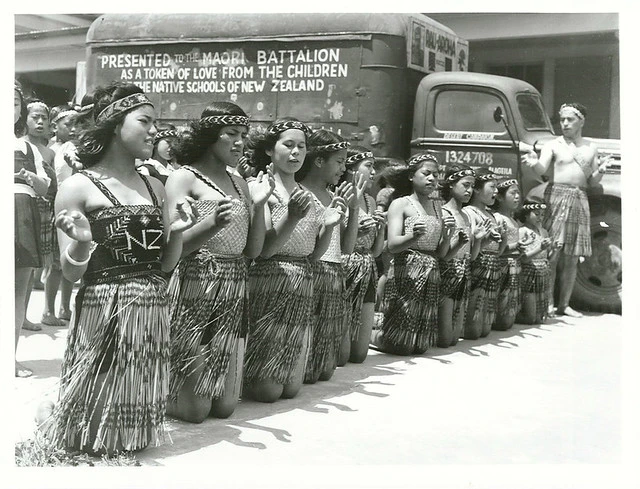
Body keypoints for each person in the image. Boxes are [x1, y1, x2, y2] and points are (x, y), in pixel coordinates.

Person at [44, 81, 197, 455]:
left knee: (135, 439)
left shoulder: (155, 187)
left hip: (151, 311)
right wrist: (82, 241)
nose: (155, 131)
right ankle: (51, 411)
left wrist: (177, 233)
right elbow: (71, 274)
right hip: (105, 311)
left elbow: (164, 264)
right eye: (145, 121)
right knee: (94, 438)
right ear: (115, 124)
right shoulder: (79, 186)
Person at [165, 103, 274, 422]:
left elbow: (252, 252)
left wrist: (259, 205)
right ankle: (157, 392)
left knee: (225, 407)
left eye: (243, 135)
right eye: (231, 134)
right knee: (196, 411)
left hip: (233, 285)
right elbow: (175, 249)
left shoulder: (239, 181)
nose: (239, 142)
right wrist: (209, 224)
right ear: (210, 135)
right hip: (196, 282)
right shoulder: (183, 178)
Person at [243, 119, 344, 402]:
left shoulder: (306, 194)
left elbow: (313, 254)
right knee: (268, 391)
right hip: (271, 278)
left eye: (301, 146)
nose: (296, 152)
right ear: (269, 150)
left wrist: (329, 227)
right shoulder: (260, 188)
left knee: (291, 389)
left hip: (302, 279)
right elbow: (264, 250)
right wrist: (292, 217)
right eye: (288, 145)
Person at [522, 102, 612, 317]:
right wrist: (534, 162)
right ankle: (548, 303)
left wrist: (600, 171)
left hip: (579, 197)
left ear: (581, 121)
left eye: (569, 119)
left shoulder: (591, 147)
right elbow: (542, 169)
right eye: (562, 119)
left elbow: (591, 181)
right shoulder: (553, 145)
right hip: (556, 196)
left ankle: (564, 305)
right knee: (552, 252)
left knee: (572, 256)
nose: (564, 123)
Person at [371, 153, 456, 355]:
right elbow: (392, 245)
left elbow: (441, 252)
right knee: (402, 345)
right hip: (406, 271)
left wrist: (449, 236)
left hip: (431, 272)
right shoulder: (401, 204)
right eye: (426, 173)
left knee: (420, 346)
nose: (432, 179)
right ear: (411, 176)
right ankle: (369, 335)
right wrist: (412, 236)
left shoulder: (437, 207)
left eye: (436, 175)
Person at [298, 129, 354, 382]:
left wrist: (350, 212)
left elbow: (346, 248)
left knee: (326, 369)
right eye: (339, 161)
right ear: (319, 160)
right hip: (311, 272)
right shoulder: (300, 194)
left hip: (334, 272)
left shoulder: (335, 197)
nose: (343, 168)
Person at [14, 82, 51, 377]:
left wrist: (30, 176)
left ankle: (9, 357)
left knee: (17, 289)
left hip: (22, 212)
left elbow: (44, 187)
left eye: (14, 103)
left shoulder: (26, 147)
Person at [340, 147, 385, 363]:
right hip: (344, 267)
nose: (374, 172)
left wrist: (380, 227)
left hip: (367, 267)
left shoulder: (371, 201)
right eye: (368, 166)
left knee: (359, 355)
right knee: (342, 355)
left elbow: (376, 251)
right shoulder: (339, 194)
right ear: (351, 169)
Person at [462, 168, 506, 340]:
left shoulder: (491, 215)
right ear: (477, 189)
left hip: (492, 269)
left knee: (485, 330)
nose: (496, 191)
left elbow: (499, 251)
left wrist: (501, 238)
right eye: (492, 186)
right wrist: (484, 239)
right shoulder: (469, 212)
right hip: (477, 267)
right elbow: (470, 246)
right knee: (472, 331)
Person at [437, 165, 476, 347]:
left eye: (472, 186)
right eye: (466, 185)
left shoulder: (466, 216)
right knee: (445, 340)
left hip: (463, 275)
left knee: (454, 339)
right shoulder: (443, 212)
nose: (470, 190)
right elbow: (443, 255)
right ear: (451, 184)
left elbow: (471, 254)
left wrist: (480, 240)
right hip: (446, 274)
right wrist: (458, 243)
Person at [515, 201, 560, 324]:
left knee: (539, 319)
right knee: (530, 319)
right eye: (536, 214)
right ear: (526, 215)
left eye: (542, 215)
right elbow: (523, 258)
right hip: (528, 276)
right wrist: (540, 248)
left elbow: (549, 259)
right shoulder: (522, 231)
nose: (540, 217)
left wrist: (555, 250)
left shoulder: (544, 232)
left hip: (542, 277)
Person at [491, 178, 525, 331]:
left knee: (509, 316)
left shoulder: (513, 220)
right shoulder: (498, 218)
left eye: (518, 193)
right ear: (499, 197)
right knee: (502, 315)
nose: (517, 197)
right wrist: (515, 246)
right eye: (513, 193)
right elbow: (497, 249)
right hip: (503, 267)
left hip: (514, 266)